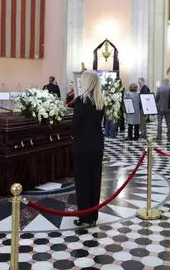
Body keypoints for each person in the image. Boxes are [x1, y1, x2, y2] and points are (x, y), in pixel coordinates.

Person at [71, 70, 105, 227]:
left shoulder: (80, 101)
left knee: (82, 181)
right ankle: (93, 216)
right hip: (97, 144)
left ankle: (84, 217)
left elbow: (75, 126)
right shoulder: (100, 101)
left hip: (83, 145)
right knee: (95, 179)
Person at [155, 78, 170, 143]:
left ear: (163, 81)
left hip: (160, 108)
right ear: (168, 81)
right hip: (168, 108)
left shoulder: (160, 88)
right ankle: (169, 136)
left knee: (159, 123)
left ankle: (159, 136)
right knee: (169, 123)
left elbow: (157, 98)